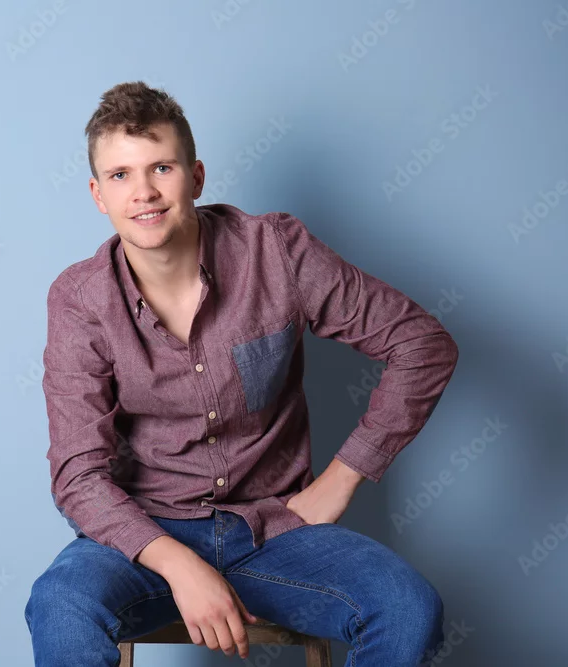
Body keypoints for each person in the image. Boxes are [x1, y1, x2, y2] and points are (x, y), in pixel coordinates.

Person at [24, 81, 459, 666]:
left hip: (276, 534)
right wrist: (179, 565)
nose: (144, 192)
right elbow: (78, 474)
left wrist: (344, 476)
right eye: (121, 175)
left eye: (161, 168)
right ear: (98, 195)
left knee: (407, 607)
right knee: (61, 604)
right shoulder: (80, 300)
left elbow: (421, 344)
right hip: (145, 540)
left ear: (196, 176)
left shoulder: (276, 252)